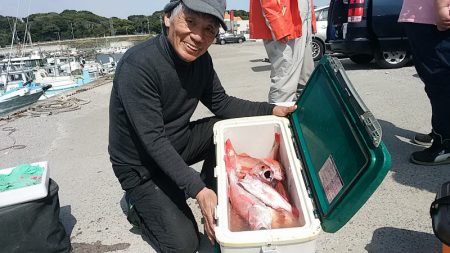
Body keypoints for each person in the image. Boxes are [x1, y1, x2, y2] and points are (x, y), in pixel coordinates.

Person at [108, 0, 297, 252]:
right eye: (190, 21)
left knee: (222, 127)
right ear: (167, 18)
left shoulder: (202, 61)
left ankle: (204, 189)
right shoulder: (139, 66)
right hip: (140, 166)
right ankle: (137, 206)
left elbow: (223, 103)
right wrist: (197, 189)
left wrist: (271, 109)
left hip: (176, 143)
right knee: (185, 245)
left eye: (209, 29)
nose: (197, 36)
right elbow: (152, 140)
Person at [398, 0, 450, 165]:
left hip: (431, 18)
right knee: (435, 82)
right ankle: (440, 132)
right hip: (426, 16)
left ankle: (445, 142)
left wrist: (441, 7)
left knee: (439, 82)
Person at [249, 0, 316, 103]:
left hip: (303, 22)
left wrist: (311, 23)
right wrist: (278, 26)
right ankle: (278, 117)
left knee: (306, 80)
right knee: (284, 84)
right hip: (286, 21)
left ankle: (300, 116)